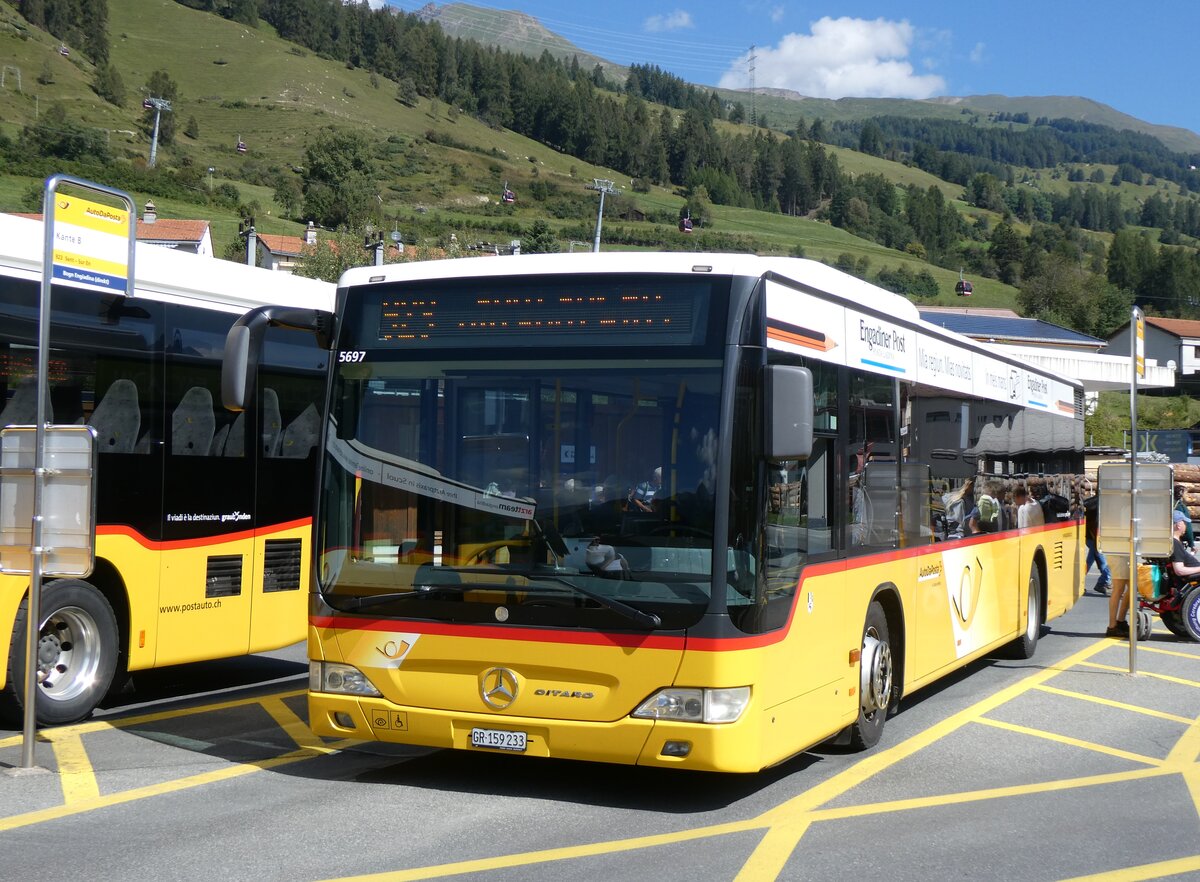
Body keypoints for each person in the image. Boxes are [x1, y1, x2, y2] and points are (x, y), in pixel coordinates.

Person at [1080, 480, 1111, 596]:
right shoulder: (1100, 504)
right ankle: (1103, 582)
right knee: (1108, 562)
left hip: (1091, 537)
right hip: (1095, 537)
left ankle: (1102, 582)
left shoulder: (1092, 502)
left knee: (1091, 561)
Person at [1173, 485, 1194, 550]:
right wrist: (1191, 544)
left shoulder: (1171, 504)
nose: (1188, 495)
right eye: (1186, 493)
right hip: (1178, 539)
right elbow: (1187, 526)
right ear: (1181, 493)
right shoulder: (1180, 506)